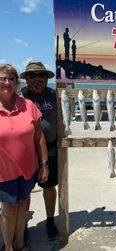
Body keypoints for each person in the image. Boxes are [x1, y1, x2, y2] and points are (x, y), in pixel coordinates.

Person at [0, 64, 48, 251]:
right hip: (4, 171)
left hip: (27, 168)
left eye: (11, 79)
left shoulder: (28, 105)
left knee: (22, 206)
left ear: (17, 83)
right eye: (3, 79)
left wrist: (44, 164)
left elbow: (39, 137)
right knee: (8, 209)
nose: (7, 83)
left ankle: (20, 243)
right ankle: (9, 246)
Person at [20, 61, 58, 241]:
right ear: (26, 79)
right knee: (25, 191)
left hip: (50, 148)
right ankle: (23, 224)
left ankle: (50, 221)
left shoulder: (54, 95)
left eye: (40, 75)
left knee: (49, 187)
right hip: (25, 152)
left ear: (46, 78)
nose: (36, 79)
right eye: (32, 75)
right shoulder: (19, 97)